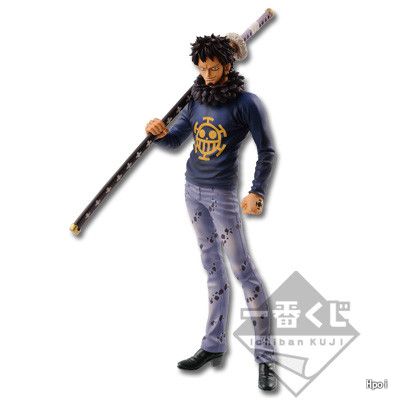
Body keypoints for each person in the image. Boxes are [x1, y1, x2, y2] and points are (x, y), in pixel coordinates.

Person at [145, 34, 277, 391]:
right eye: (202, 69)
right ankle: (213, 344)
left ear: (228, 65)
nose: (207, 75)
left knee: (243, 271)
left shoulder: (246, 103)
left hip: (222, 196)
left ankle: (265, 357)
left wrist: (257, 191)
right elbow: (176, 140)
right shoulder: (196, 98)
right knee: (212, 269)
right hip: (192, 192)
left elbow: (266, 151)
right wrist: (158, 133)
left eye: (213, 68)